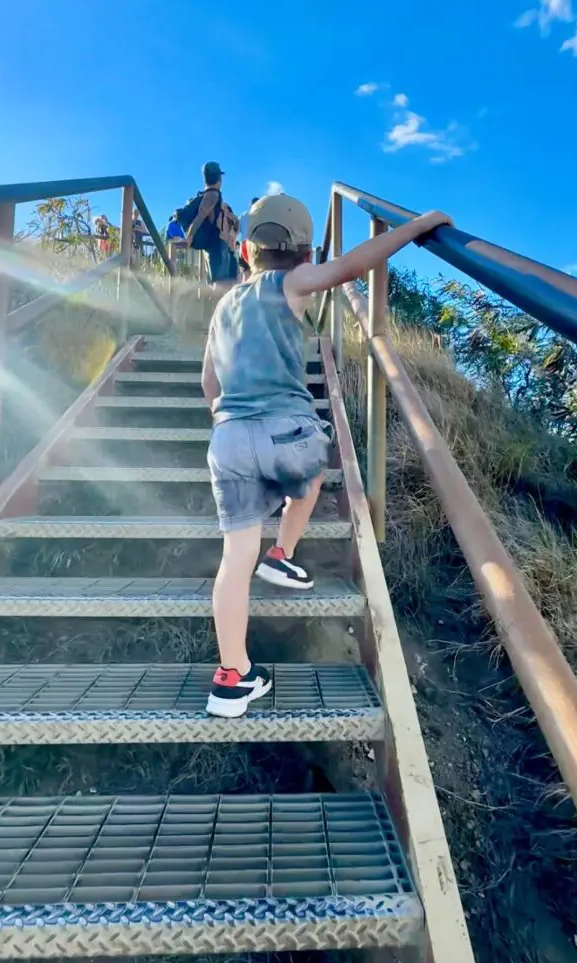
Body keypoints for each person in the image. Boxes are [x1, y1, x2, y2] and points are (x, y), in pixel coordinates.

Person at [201, 193, 453, 717]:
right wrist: (419, 225)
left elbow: (209, 380)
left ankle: (231, 677)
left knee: (232, 559)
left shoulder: (224, 305)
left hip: (227, 436)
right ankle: (283, 554)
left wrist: (224, 418)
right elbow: (353, 266)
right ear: (304, 252)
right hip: (286, 428)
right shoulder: (290, 283)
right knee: (316, 463)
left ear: (246, 249)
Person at [184, 161, 236, 283]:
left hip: (215, 245)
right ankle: (214, 302)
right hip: (216, 245)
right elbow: (201, 215)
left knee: (218, 281)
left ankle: (214, 301)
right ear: (219, 177)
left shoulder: (209, 194)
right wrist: (190, 236)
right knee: (218, 283)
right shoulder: (212, 195)